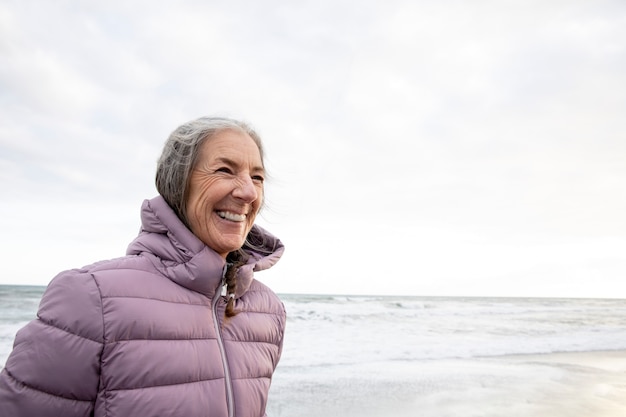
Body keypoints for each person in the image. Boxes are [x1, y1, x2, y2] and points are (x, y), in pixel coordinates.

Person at [0, 116, 286, 417]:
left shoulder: (267, 310)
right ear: (178, 184)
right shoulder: (90, 297)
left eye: (257, 177)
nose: (249, 193)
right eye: (224, 170)